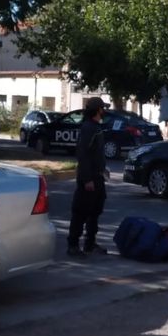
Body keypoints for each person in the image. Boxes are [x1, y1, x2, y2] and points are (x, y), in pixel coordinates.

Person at [67, 97, 109, 256]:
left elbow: (95, 154)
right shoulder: (88, 128)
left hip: (98, 177)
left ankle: (90, 243)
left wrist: (103, 170)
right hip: (89, 178)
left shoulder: (96, 127)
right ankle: (73, 245)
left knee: (95, 211)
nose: (104, 110)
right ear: (98, 110)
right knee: (81, 212)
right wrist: (87, 179)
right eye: (102, 108)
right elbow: (83, 154)